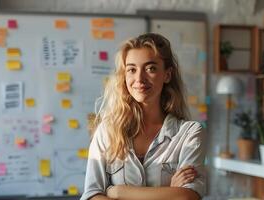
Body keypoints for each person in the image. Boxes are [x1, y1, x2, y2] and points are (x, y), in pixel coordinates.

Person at [81, 33, 206, 200]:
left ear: (167, 74)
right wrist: (169, 192)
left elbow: (187, 197)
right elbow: (91, 195)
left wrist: (118, 192)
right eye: (131, 69)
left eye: (150, 68)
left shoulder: (189, 133)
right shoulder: (107, 131)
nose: (139, 78)